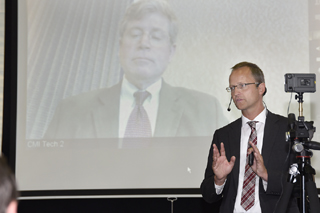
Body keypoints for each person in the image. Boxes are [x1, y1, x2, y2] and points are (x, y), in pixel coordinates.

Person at [44, 0, 226, 139]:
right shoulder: (71, 111)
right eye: (135, 34)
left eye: (156, 36)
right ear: (120, 46)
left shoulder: (207, 110)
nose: (144, 43)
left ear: (171, 52)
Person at [200, 62, 299, 212]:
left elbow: (299, 186)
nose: (235, 93)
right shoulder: (223, 135)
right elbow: (208, 195)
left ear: (261, 88)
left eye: (242, 85)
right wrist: (218, 180)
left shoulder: (288, 129)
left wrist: (266, 175)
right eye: (232, 88)